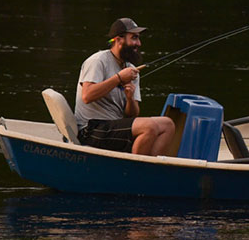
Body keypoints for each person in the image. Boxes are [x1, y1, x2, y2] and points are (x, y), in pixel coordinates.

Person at [74, 17, 176, 156]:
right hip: (91, 129)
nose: (138, 43)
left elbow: (132, 115)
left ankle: (151, 171)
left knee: (167, 125)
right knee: (149, 127)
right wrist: (119, 78)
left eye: (139, 38)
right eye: (134, 38)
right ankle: (135, 171)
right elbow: (87, 96)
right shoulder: (98, 61)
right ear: (118, 39)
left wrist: (130, 99)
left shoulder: (131, 69)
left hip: (114, 127)